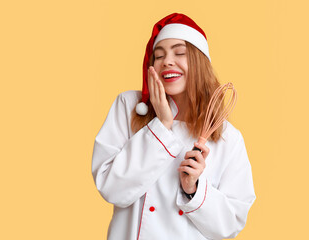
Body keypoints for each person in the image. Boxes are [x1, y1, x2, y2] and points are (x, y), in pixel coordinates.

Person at [92, 13, 255, 240]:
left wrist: (194, 190)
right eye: (158, 56)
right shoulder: (128, 106)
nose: (167, 61)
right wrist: (162, 125)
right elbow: (111, 188)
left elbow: (231, 223)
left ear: (199, 63)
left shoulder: (228, 137)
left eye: (180, 53)